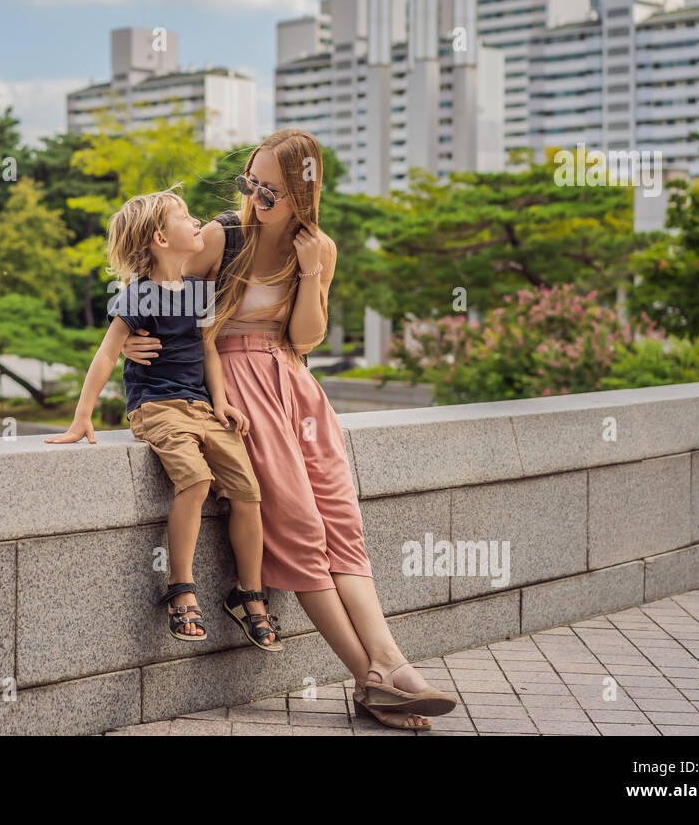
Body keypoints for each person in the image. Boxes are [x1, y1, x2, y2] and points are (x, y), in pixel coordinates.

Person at [121, 131, 460, 730]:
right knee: (302, 529)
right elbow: (154, 282)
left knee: (342, 524)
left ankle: (391, 666)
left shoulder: (319, 249)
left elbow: (305, 339)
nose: (254, 195)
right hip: (238, 389)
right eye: (249, 182)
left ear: (302, 191)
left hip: (296, 387)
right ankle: (374, 677)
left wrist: (311, 275)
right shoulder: (222, 237)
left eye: (269, 188)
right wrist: (133, 342)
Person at [45, 188, 282, 651]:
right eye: (185, 217)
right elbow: (107, 353)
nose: (197, 222)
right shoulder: (140, 295)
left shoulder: (200, 291)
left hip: (203, 408)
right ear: (160, 237)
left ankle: (248, 594)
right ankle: (182, 589)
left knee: (249, 492)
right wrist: (81, 416)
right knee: (193, 481)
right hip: (157, 407)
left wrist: (223, 401)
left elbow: (208, 348)